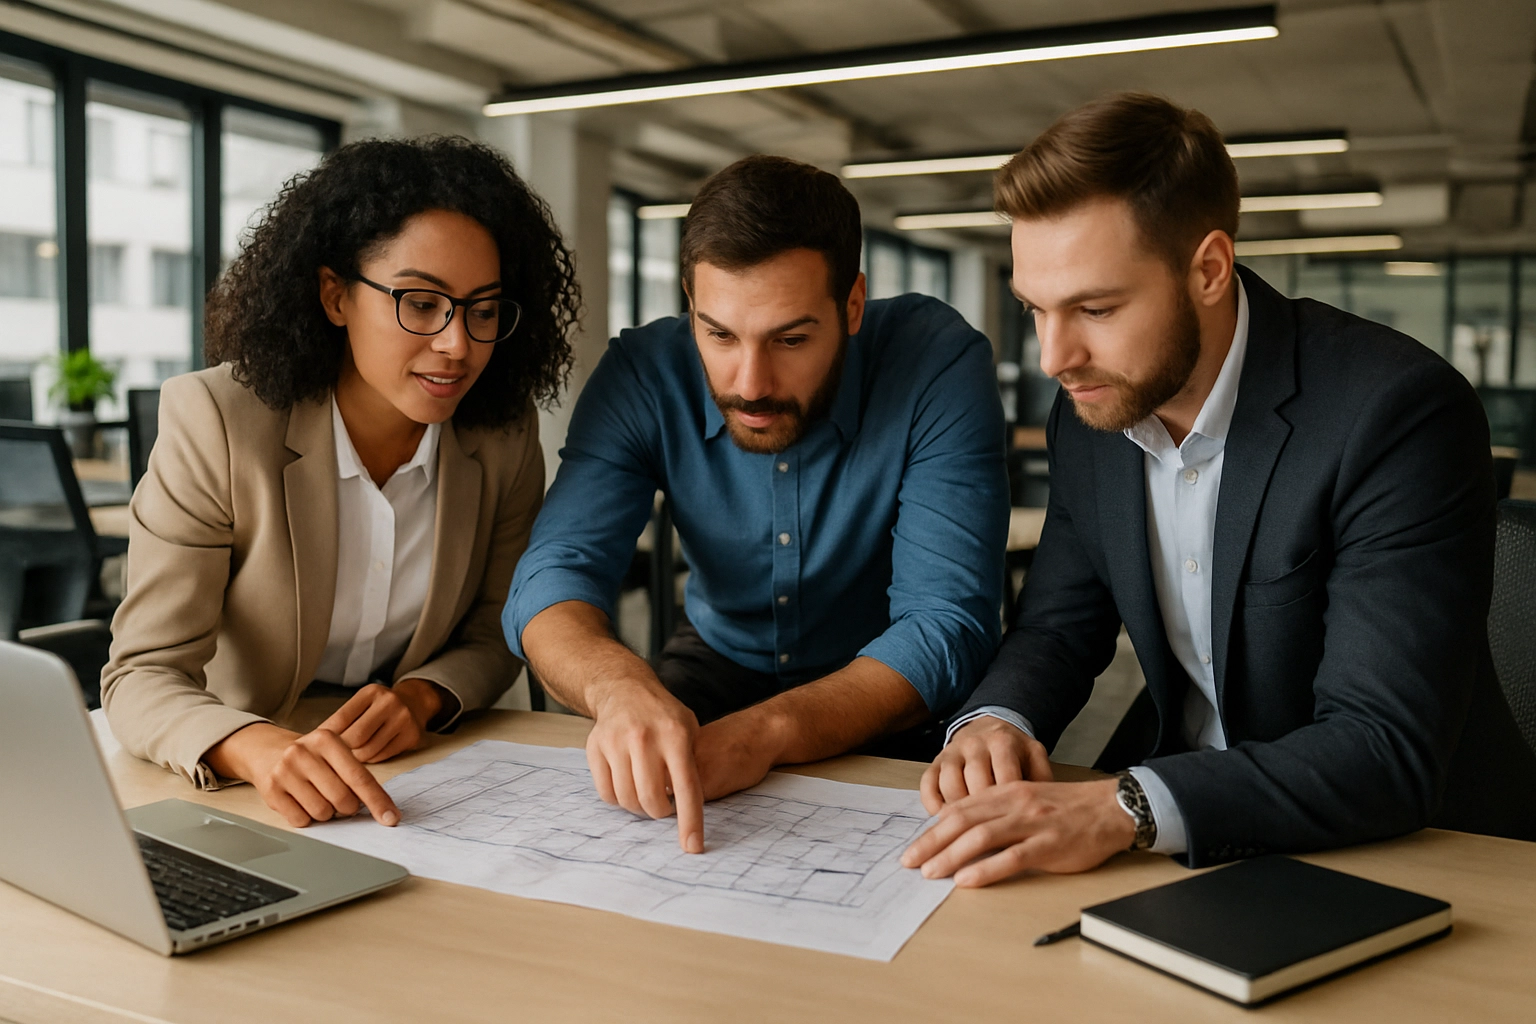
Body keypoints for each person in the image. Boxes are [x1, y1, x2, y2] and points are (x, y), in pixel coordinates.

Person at [903, 93, 1536, 888]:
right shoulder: (1094, 414)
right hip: (1185, 826)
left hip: (1412, 852)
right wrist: (995, 720)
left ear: (1207, 268)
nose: (1053, 358)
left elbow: (1381, 746)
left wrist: (1119, 809)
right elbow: (1059, 627)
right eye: (1036, 310)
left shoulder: (1394, 411)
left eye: (1094, 308)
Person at [503, 155, 1010, 853]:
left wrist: (767, 732)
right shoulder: (644, 374)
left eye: (792, 339)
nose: (751, 383)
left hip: (889, 685)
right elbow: (551, 575)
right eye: (718, 334)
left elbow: (944, 620)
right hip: (716, 658)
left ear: (853, 305)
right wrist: (619, 687)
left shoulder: (936, 361)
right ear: (689, 304)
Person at [102, 136, 580, 829]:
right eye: (420, 302)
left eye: (482, 310)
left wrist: (422, 697)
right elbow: (141, 673)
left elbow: (496, 627)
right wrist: (254, 747)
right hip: (248, 783)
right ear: (335, 296)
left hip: (427, 782)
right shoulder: (218, 422)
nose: (458, 343)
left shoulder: (501, 437)